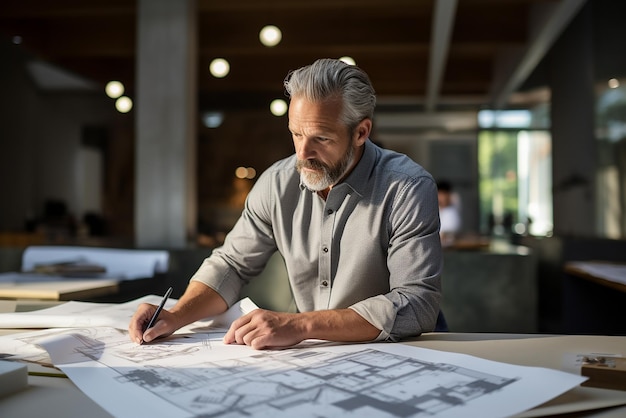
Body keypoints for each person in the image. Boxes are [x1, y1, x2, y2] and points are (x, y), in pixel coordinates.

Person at [129, 58, 443, 349]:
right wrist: (176, 314)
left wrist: (302, 325)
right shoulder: (277, 183)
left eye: (321, 139)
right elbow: (231, 266)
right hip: (317, 354)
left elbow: (417, 303)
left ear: (361, 132)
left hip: (401, 351)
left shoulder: (407, 187)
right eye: (296, 134)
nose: (303, 154)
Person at [437, 180, 461, 246]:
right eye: (440, 194)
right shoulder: (435, 210)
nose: (442, 198)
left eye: (444, 194)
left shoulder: (452, 212)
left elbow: (448, 232)